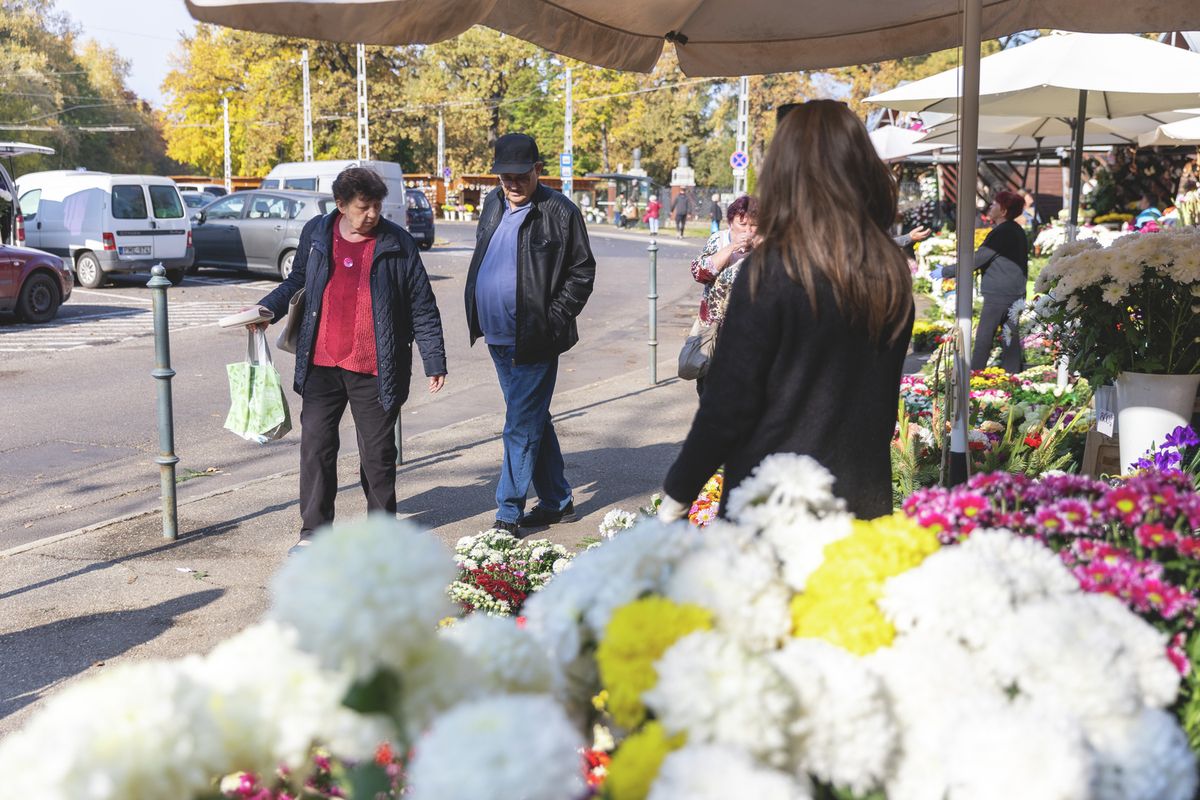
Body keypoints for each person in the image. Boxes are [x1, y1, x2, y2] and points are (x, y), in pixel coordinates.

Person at [659, 99, 914, 521]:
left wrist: (679, 493)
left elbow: (729, 401)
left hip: (774, 503)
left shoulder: (773, 270)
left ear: (786, 171)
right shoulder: (889, 269)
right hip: (860, 499)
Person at [251, 167, 447, 554]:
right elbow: (298, 281)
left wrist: (434, 359)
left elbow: (422, 304)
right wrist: (265, 308)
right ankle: (313, 534)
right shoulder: (318, 234)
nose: (373, 214)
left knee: (377, 456)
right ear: (340, 205)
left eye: (377, 205)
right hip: (322, 363)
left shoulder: (398, 242)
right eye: (364, 207)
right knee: (317, 450)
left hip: (375, 366)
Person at [465, 133, 597, 533]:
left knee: (520, 424)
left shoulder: (560, 212)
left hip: (535, 339)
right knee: (532, 418)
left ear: (538, 170)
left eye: (521, 175)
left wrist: (552, 321)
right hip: (498, 336)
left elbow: (582, 272)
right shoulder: (492, 202)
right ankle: (558, 499)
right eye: (505, 176)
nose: (513, 184)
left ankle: (508, 512)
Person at [937, 190, 1028, 373]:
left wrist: (945, 271)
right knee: (1010, 339)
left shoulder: (1001, 232)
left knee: (984, 338)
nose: (990, 207)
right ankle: (1013, 376)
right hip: (1015, 291)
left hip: (998, 294)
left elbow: (978, 260)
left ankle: (974, 376)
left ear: (1003, 211)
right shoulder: (1016, 230)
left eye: (995, 204)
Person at [688, 194, 759, 396]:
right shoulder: (718, 240)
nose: (747, 230)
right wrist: (732, 248)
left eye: (753, 225)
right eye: (742, 224)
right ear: (730, 222)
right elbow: (699, 273)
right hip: (715, 331)